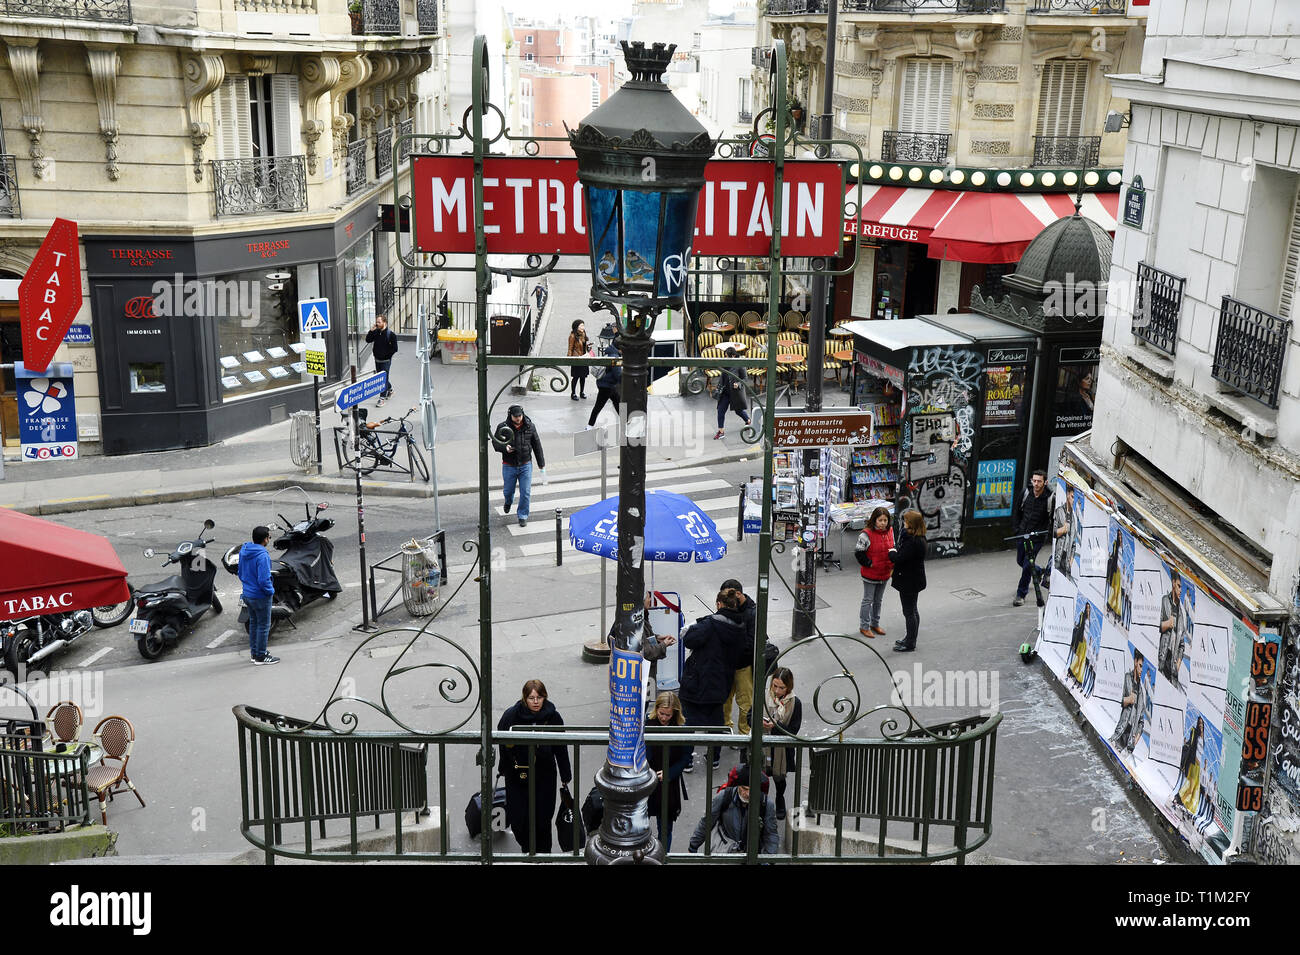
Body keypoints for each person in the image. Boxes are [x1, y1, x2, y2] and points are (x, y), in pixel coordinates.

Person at [497, 679, 572, 854]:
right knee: (519, 819)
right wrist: (504, 767)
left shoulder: (553, 717)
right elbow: (502, 741)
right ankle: (528, 849)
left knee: (542, 819)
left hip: (544, 775)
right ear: (525, 698)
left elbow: (561, 748)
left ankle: (543, 854)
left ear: (545, 697)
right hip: (518, 775)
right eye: (531, 698)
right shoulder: (511, 715)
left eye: (539, 697)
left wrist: (565, 775)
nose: (536, 702)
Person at [679, 587, 749, 772]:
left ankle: (687, 760)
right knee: (716, 722)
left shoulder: (710, 624)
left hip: (697, 681)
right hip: (721, 683)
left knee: (689, 722)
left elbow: (689, 639)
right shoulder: (740, 627)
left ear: (719, 604)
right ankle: (714, 758)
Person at [747, 667, 802, 820]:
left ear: (789, 687)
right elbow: (749, 718)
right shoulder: (762, 696)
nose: (777, 691)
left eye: (782, 687)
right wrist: (759, 722)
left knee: (779, 778)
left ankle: (779, 798)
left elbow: (793, 731)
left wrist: (776, 726)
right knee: (759, 777)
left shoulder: (795, 703)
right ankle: (761, 804)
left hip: (781, 750)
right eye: (775, 686)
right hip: (762, 745)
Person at [687, 763, 779, 855]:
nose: (748, 794)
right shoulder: (724, 797)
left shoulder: (766, 804)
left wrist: (769, 858)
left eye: (751, 790)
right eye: (744, 789)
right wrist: (693, 846)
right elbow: (707, 821)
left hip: (752, 850)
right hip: (725, 848)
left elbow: (771, 834)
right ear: (738, 786)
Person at [645, 691, 691, 851]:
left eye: (668, 715)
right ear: (656, 709)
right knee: (640, 826)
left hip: (668, 784)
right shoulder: (647, 724)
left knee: (665, 828)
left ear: (675, 713)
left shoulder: (682, 728)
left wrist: (670, 773)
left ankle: (662, 857)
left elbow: (685, 757)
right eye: (661, 713)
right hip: (647, 780)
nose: (664, 718)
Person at [490, 403, 545, 527]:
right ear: (510, 416)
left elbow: (537, 445)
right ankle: (508, 502)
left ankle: (522, 515)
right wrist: (505, 448)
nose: (518, 418)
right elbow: (495, 443)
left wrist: (541, 463)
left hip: (525, 464)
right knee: (508, 491)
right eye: (515, 416)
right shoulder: (503, 427)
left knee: (525, 492)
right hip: (509, 465)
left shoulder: (530, 426)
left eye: (519, 416)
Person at [719, 577, 757, 741]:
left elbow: (752, 641)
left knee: (745, 701)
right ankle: (726, 729)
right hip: (729, 663)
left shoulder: (752, 612)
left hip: (743, 664)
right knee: (725, 699)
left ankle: (744, 734)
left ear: (738, 594)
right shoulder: (730, 607)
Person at [1011, 470, 1054, 606]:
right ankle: (1039, 571)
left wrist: (1043, 533)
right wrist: (1017, 529)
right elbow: (1017, 512)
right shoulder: (1026, 493)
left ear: (1045, 482)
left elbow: (1052, 519)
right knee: (1020, 561)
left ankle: (1021, 594)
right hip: (1022, 534)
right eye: (1034, 481)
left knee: (1026, 565)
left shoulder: (1050, 498)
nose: (1036, 484)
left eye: (1039, 481)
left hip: (1036, 539)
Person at [237, 525, 278, 666]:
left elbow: (240, 572)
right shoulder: (262, 555)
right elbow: (263, 579)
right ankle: (261, 656)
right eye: (269, 537)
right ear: (265, 539)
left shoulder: (244, 551)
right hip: (260, 596)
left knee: (254, 624)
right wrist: (270, 591)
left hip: (247, 594)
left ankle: (255, 653)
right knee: (263, 626)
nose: (269, 539)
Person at [889, 509, 926, 653]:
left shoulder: (912, 541)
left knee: (909, 612)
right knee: (913, 610)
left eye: (905, 521)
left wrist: (892, 552)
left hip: (908, 581)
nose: (904, 523)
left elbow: (899, 558)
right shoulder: (920, 538)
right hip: (914, 579)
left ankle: (910, 643)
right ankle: (910, 638)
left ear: (911, 524)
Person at [855, 506, 894, 638]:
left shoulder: (890, 531)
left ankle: (875, 624)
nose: (883, 523)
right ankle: (864, 626)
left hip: (884, 572)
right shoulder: (866, 534)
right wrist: (870, 564)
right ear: (874, 520)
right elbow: (859, 553)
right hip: (871, 573)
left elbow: (892, 547)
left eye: (885, 520)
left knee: (878, 600)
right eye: (880, 520)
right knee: (868, 600)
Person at [1109, 649, 1147, 754]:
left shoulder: (1141, 693)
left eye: (1143, 667)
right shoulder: (1127, 678)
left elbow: (1141, 722)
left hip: (1129, 742)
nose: (1141, 670)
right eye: (1140, 666)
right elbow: (1117, 699)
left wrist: (1135, 740)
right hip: (1120, 733)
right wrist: (1128, 700)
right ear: (1135, 662)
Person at [713, 345, 751, 440]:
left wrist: (738, 384)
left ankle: (748, 420)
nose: (725, 358)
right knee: (720, 411)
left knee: (738, 411)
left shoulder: (740, 364)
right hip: (725, 392)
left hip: (735, 393)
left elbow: (745, 379)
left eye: (726, 356)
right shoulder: (725, 363)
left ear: (733, 356)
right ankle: (721, 432)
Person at [587, 336, 622, 428]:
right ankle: (589, 426)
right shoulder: (615, 358)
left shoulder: (610, 352)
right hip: (607, 385)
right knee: (598, 406)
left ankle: (626, 421)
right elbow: (617, 374)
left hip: (606, 383)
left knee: (617, 402)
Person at [365, 314, 398, 404]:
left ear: (384, 323)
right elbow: (368, 340)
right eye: (376, 322)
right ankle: (390, 390)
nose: (377, 324)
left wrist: (387, 356)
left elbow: (395, 348)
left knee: (383, 379)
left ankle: (382, 398)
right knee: (381, 378)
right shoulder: (376, 332)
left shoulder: (391, 335)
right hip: (377, 359)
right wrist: (371, 331)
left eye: (379, 322)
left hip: (386, 361)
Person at [1176, 717, 1205, 815]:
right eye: (1199, 723)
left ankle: (1179, 799)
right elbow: (1191, 745)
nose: (1200, 725)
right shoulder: (1195, 733)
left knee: (1192, 789)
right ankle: (1179, 800)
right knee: (1191, 789)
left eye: (1202, 723)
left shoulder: (1203, 738)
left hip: (1198, 767)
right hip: (1193, 764)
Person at [1158, 569, 1183, 684]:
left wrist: (1178, 664)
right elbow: (1156, 625)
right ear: (1173, 583)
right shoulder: (1164, 601)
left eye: (1181, 587)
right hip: (1163, 656)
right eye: (1178, 586)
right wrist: (1167, 624)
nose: (1180, 590)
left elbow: (1182, 644)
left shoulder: (1181, 614)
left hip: (1173, 664)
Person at [1067, 602, 1091, 689]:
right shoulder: (1083, 616)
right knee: (1078, 658)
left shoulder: (1090, 620)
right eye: (1087, 608)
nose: (1088, 610)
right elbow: (1080, 628)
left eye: (1089, 608)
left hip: (1085, 643)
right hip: (1081, 641)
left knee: (1082, 660)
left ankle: (1079, 678)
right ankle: (1072, 672)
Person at [567, 319, 591, 402]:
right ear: (576, 327)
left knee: (583, 376)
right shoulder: (572, 336)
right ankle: (573, 393)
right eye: (581, 325)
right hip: (577, 358)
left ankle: (582, 392)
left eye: (583, 325)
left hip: (584, 358)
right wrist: (569, 359)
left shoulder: (583, 334)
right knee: (576, 377)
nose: (583, 327)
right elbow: (570, 348)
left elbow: (584, 346)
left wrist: (588, 347)